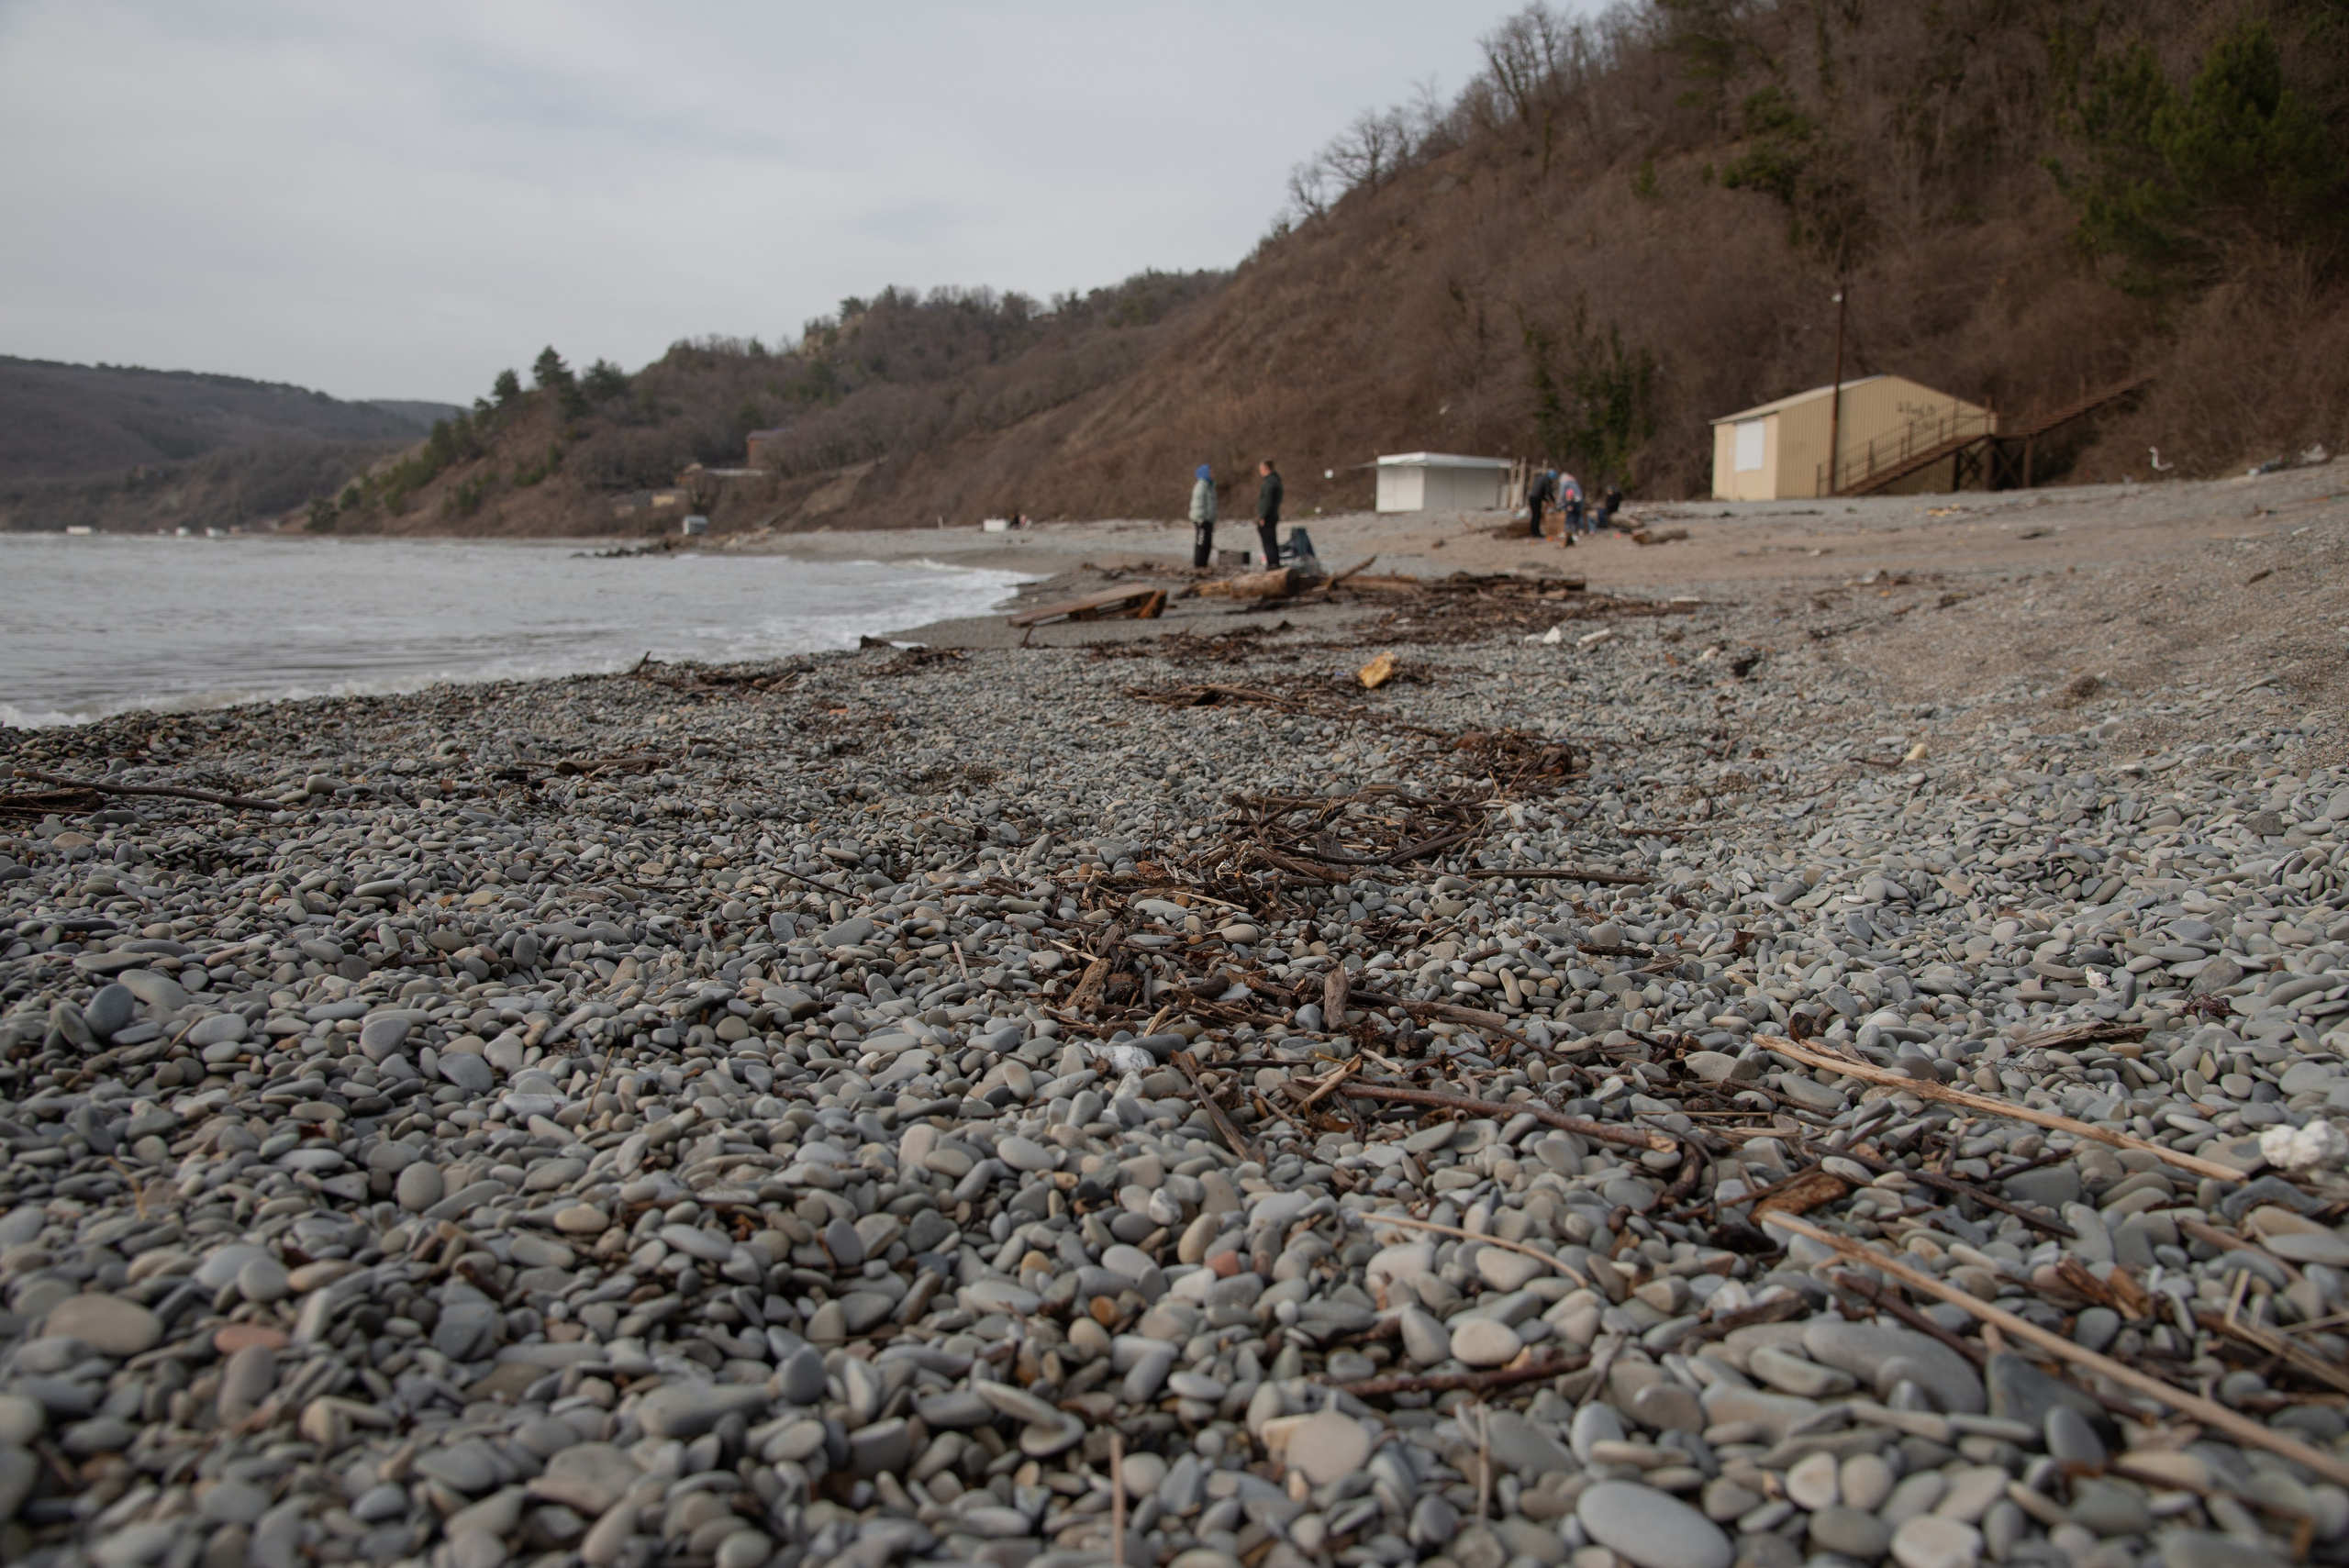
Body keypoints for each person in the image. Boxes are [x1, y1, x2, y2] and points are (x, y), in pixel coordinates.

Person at [1254, 458, 1284, 567]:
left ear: (1265, 468)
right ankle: (1275, 563)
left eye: (1261, 468)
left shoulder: (1270, 482)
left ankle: (1273, 565)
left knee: (1269, 543)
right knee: (1272, 542)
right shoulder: (1276, 480)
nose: (1260, 471)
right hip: (1273, 515)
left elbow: (1267, 501)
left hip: (1268, 516)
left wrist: (1262, 517)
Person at [1188, 464, 1217, 569]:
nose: (1213, 475)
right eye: (1211, 473)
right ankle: (1199, 565)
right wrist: (1200, 519)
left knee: (1208, 543)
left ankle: (1204, 564)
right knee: (1201, 543)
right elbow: (1198, 504)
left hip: (1209, 520)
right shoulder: (1200, 486)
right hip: (1201, 520)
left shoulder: (1210, 486)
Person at [1525, 465, 1556, 539]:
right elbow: (1548, 492)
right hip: (1536, 499)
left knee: (1534, 516)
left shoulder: (1540, 478)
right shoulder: (1547, 480)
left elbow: (1541, 492)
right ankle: (1536, 533)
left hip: (1532, 497)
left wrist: (1546, 500)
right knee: (1537, 516)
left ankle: (1534, 532)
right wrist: (1553, 500)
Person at [1559, 471, 1585, 536]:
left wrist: (1561, 501)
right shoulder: (1574, 481)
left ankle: (1571, 531)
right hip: (1579, 499)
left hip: (1572, 499)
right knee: (1579, 514)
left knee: (1571, 516)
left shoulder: (1564, 483)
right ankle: (1581, 529)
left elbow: (1562, 494)